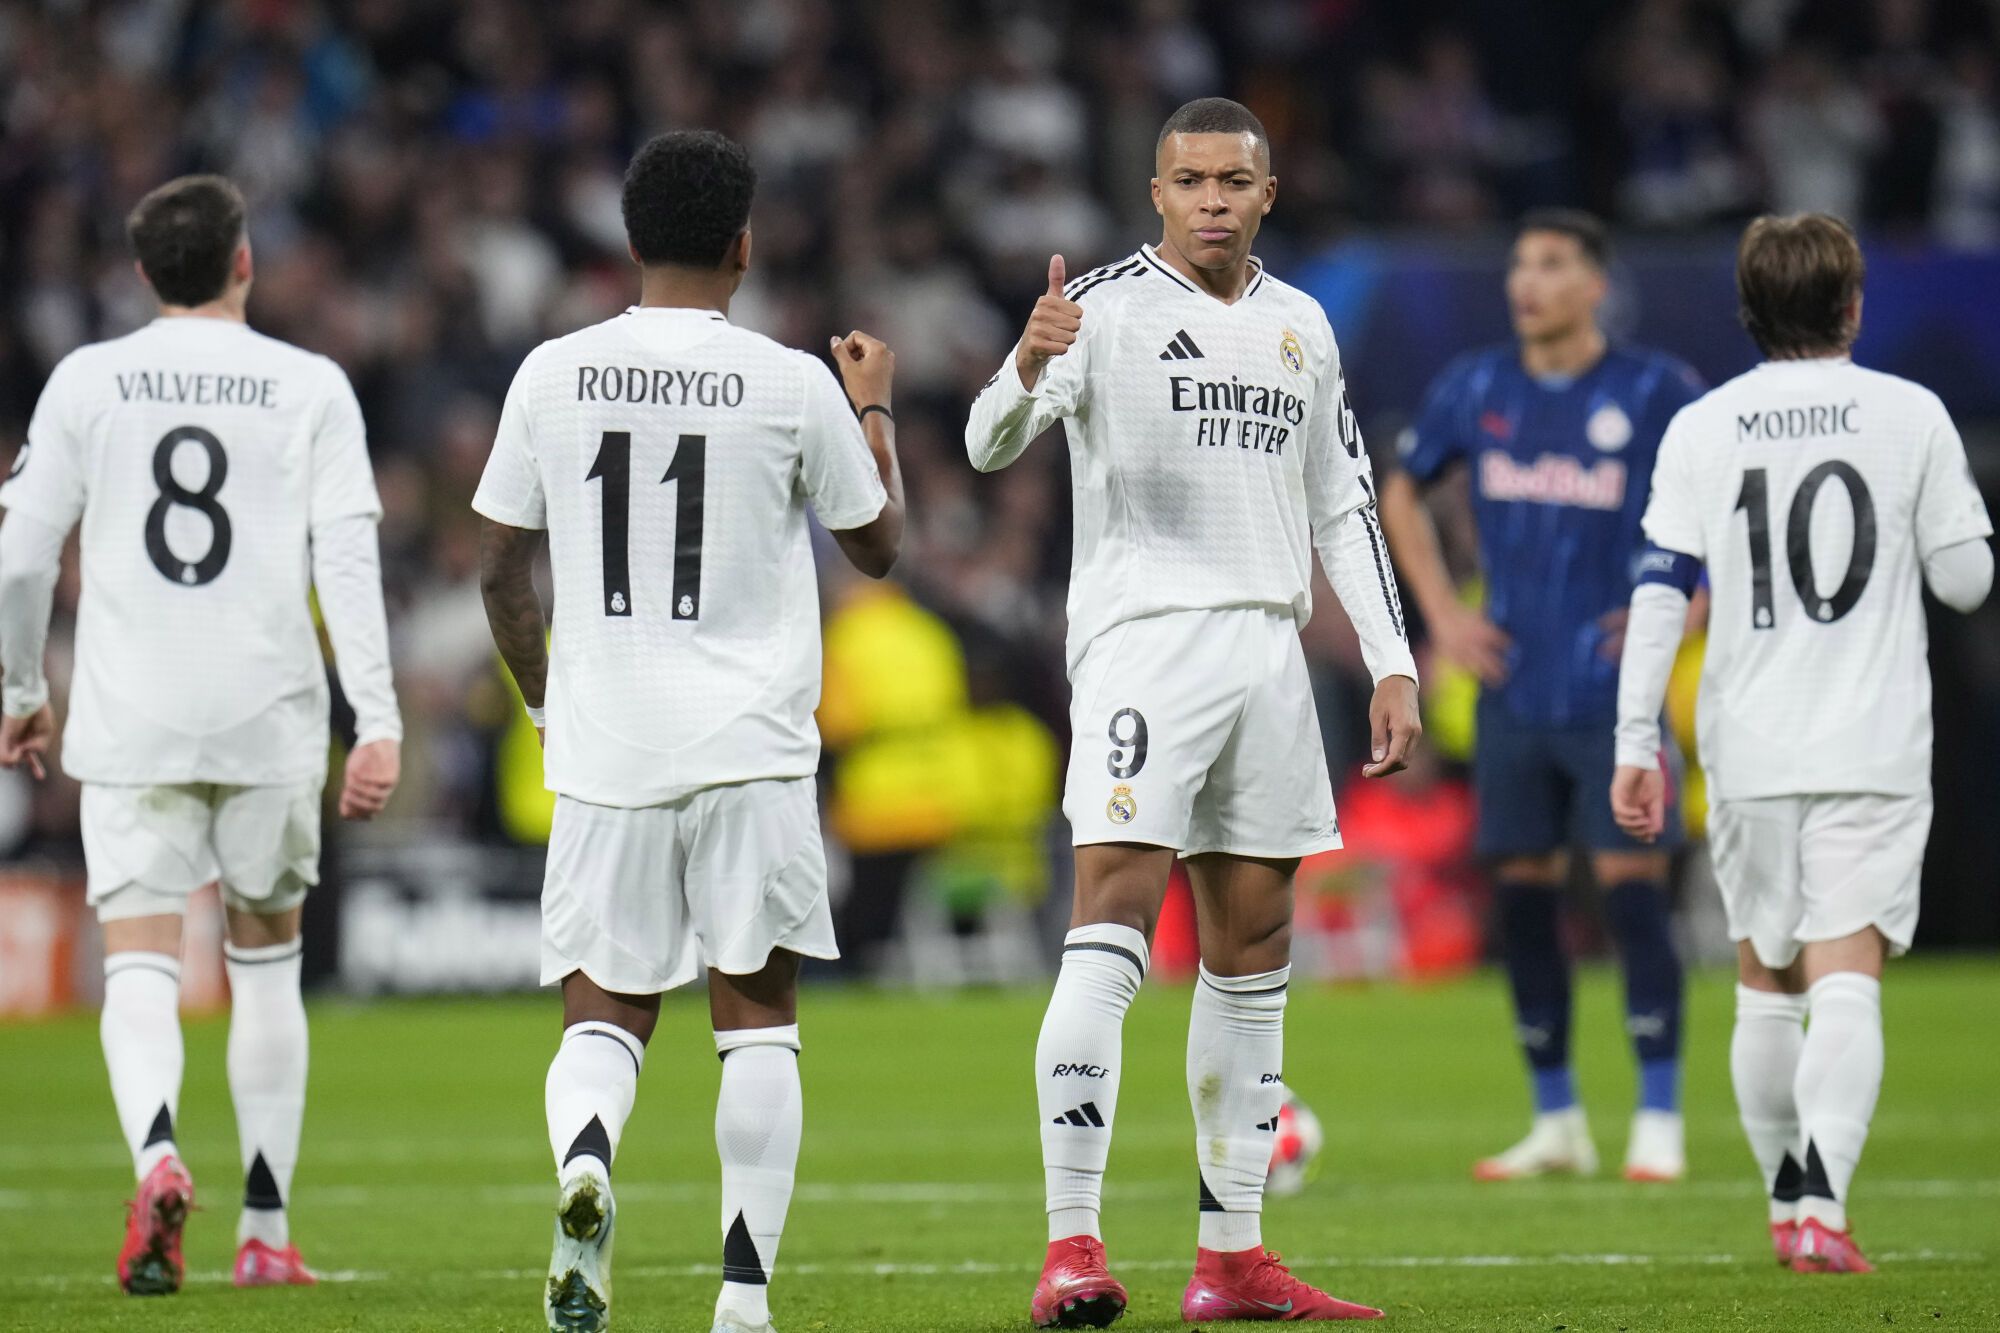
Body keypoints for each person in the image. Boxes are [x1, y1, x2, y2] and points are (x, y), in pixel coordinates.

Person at [965, 96, 1419, 1327]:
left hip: (1269, 656)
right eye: (1189, 180)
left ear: (1267, 193)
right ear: (1155, 194)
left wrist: (1390, 659)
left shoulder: (1300, 325)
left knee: (1253, 948)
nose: (1211, 198)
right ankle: (1071, 1245)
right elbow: (985, 444)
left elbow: (1345, 504)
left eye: (1233, 179)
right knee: (1109, 919)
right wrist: (1026, 360)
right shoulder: (1101, 310)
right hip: (1144, 649)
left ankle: (1232, 1258)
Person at [472, 129, 903, 1333]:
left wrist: (546, 700)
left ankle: (590, 1159)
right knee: (755, 1016)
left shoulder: (551, 372)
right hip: (750, 746)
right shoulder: (788, 380)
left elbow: (499, 563)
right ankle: (742, 1300)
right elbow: (877, 548)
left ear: (627, 239)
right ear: (742, 245)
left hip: (606, 742)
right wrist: (874, 414)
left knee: (602, 1009)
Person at [0, 174, 401, 1294]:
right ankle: (265, 1231)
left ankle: (159, 1154)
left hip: (132, 713)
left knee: (138, 962)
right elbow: (348, 559)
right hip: (269, 714)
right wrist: (376, 717)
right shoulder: (308, 384)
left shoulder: (88, 380)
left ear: (141, 275)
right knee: (266, 967)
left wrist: (20, 684)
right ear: (245, 261)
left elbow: (21, 553)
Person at [1613, 212, 1993, 1273]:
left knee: (1762, 976)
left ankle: (1786, 1209)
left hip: (1746, 740)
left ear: (1746, 310)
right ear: (1851, 306)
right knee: (1845, 974)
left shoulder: (1703, 425)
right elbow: (1965, 578)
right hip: (1869, 740)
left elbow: (1656, 593)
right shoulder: (1908, 414)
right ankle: (1822, 1202)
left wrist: (1633, 736)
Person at [1377, 210, 1705, 1183]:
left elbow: (1724, 507)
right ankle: (1554, 1117)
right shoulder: (1475, 386)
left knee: (1628, 896)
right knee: (1520, 902)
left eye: (1551, 265)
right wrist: (1439, 613)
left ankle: (1657, 1114)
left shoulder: (1654, 390)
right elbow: (1402, 489)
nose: (1527, 281)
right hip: (1512, 688)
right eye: (1520, 264)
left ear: (1593, 284)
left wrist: (1686, 612)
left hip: (1614, 692)